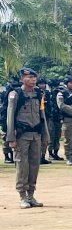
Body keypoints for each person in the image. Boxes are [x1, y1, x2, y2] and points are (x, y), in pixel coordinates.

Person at [5, 68, 49, 209]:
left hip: (36, 135)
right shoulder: (15, 94)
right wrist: (11, 138)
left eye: (34, 77)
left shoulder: (38, 94)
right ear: (22, 79)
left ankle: (31, 195)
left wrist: (45, 135)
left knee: (34, 165)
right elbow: (10, 117)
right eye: (29, 77)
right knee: (22, 166)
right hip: (21, 136)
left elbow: (42, 116)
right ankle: (22, 196)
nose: (33, 79)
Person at [46, 78, 64, 161]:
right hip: (50, 117)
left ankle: (55, 153)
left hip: (57, 117)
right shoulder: (47, 94)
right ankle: (50, 153)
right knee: (51, 136)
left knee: (57, 135)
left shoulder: (59, 93)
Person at [36, 78, 52, 165]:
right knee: (37, 138)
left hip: (46, 117)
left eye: (43, 84)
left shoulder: (47, 93)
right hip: (37, 118)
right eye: (40, 83)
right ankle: (37, 157)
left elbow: (49, 105)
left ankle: (43, 156)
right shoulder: (35, 93)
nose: (42, 85)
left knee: (45, 139)